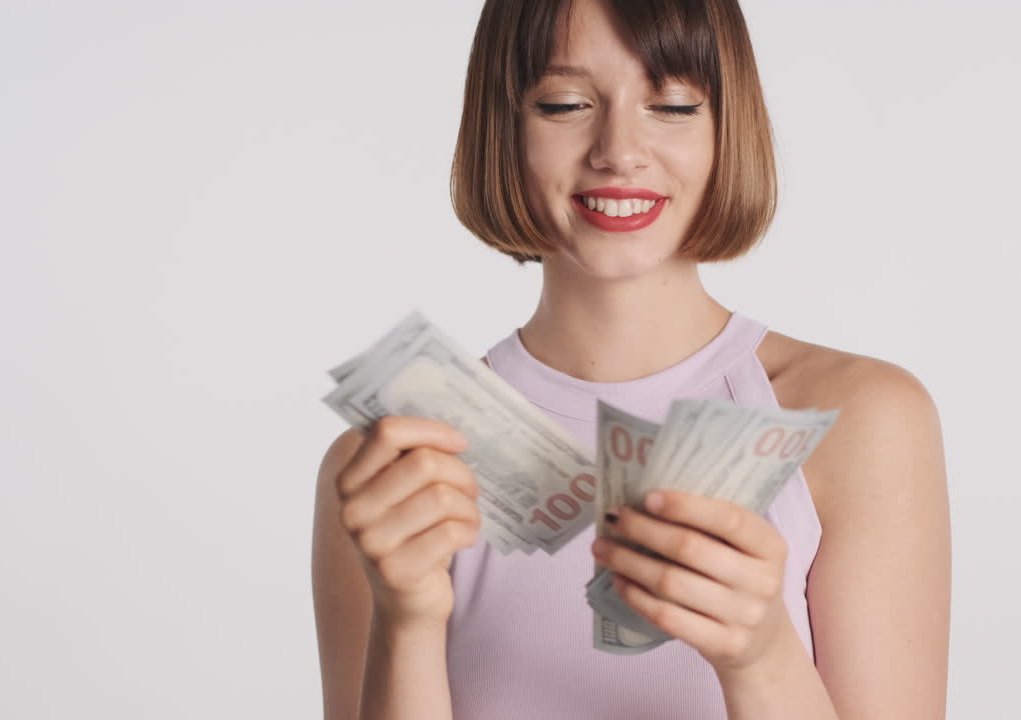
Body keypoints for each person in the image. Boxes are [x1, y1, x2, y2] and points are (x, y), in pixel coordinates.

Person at [311, 0, 951, 718]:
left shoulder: (862, 423)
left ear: (723, 128)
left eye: (673, 104)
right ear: (505, 126)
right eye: (565, 103)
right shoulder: (391, 472)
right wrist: (409, 619)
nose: (619, 150)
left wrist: (761, 653)